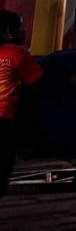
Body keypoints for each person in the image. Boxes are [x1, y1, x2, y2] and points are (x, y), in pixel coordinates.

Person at [0, 10, 43, 196]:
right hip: (4, 121)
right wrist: (69, 81)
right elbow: (38, 81)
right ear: (9, 31)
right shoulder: (17, 54)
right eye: (20, 26)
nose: (23, 31)